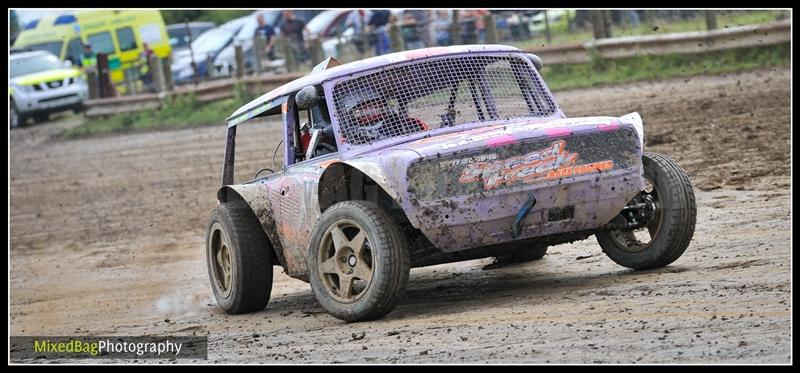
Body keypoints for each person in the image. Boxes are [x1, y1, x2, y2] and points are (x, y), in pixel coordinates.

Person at [342, 87, 428, 144]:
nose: (372, 112)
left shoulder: (411, 124)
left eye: (377, 106)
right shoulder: (347, 137)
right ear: (352, 114)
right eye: (364, 110)